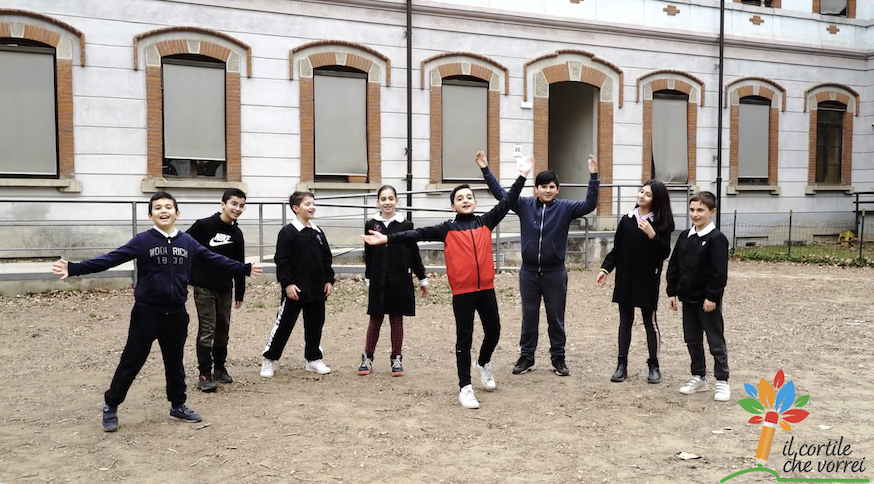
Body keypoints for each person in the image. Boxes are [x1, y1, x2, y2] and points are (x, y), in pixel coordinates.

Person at [51, 192, 262, 432]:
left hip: (176, 314)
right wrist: (75, 268)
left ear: (177, 213)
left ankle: (178, 405)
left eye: (168, 207)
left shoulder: (187, 241)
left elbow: (214, 258)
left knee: (174, 362)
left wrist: (244, 268)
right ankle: (111, 404)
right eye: (158, 207)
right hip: (147, 313)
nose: (164, 211)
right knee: (132, 360)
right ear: (150, 215)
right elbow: (111, 259)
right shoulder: (143, 241)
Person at [362, 157, 534, 409]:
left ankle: (482, 363)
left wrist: (523, 175)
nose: (465, 200)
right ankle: (465, 387)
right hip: (463, 293)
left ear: (475, 202)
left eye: (469, 197)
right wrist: (386, 239)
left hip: (486, 289)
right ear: (452, 205)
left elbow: (508, 201)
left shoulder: (486, 221)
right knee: (464, 338)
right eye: (460, 198)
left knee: (494, 331)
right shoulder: (447, 229)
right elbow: (415, 234)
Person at [476, 151, 599, 376]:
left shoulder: (565, 208)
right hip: (529, 272)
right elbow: (501, 195)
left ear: (557, 189)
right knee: (529, 316)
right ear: (536, 189)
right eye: (543, 186)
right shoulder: (524, 205)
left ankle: (558, 358)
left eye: (551, 187)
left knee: (556, 317)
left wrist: (593, 176)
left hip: (555, 272)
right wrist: (485, 168)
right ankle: (527, 357)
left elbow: (590, 204)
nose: (547, 190)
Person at [597, 180, 674, 384]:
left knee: (650, 322)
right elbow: (617, 250)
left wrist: (652, 235)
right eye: (641, 192)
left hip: (647, 279)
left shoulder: (661, 223)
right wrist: (605, 269)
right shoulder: (627, 220)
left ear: (656, 200)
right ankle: (621, 364)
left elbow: (664, 252)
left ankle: (654, 365)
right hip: (625, 278)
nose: (642, 196)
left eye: (647, 194)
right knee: (625, 321)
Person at [260, 191, 335, 379]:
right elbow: (282, 260)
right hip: (295, 290)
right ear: (296, 208)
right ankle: (269, 358)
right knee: (284, 325)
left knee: (315, 325)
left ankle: (313, 359)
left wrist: (328, 280)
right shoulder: (288, 232)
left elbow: (327, 258)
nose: (312, 207)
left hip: (317, 290)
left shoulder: (318, 232)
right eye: (307, 204)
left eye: (313, 203)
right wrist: (288, 284)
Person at [665, 191, 730, 402]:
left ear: (712, 212)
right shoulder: (685, 236)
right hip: (687, 298)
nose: (695, 214)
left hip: (707, 301)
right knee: (692, 339)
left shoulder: (717, 239)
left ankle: (722, 380)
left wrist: (712, 297)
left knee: (715, 340)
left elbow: (719, 273)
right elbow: (674, 265)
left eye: (700, 210)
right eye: (692, 209)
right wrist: (672, 291)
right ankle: (699, 376)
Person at [359, 185, 429, 377]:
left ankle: (396, 358)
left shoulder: (406, 225)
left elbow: (414, 253)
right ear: (378, 202)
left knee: (396, 319)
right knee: (375, 318)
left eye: (391, 198)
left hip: (399, 279)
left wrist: (422, 278)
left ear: (397, 201)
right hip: (378, 279)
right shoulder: (371, 224)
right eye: (383, 199)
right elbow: (368, 255)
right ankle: (367, 357)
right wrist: (368, 279)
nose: (387, 202)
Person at [186, 188, 249, 392]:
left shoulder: (237, 233)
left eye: (241, 206)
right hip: (204, 286)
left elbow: (240, 264)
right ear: (223, 204)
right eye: (233, 204)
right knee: (208, 329)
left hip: (225, 288)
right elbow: (183, 245)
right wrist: (188, 275)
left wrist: (240, 292)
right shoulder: (203, 226)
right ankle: (204, 373)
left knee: (223, 328)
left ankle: (219, 368)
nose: (237, 209)